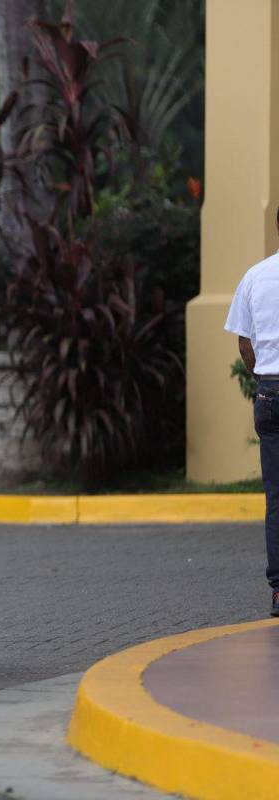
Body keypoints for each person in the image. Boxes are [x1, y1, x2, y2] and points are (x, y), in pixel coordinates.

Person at [225, 207, 279, 618]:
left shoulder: (254, 277)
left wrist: (264, 380)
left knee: (276, 499)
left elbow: (245, 346)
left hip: (269, 393)